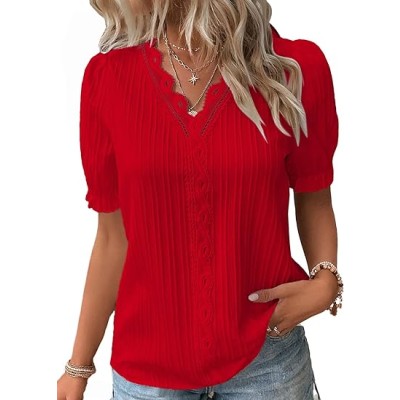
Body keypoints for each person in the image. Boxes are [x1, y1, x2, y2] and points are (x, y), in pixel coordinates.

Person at [57, 1, 343, 399]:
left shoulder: (291, 68)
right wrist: (78, 366)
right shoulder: (107, 78)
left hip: (267, 361)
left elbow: (314, 196)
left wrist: (326, 280)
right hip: (148, 374)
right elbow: (112, 238)